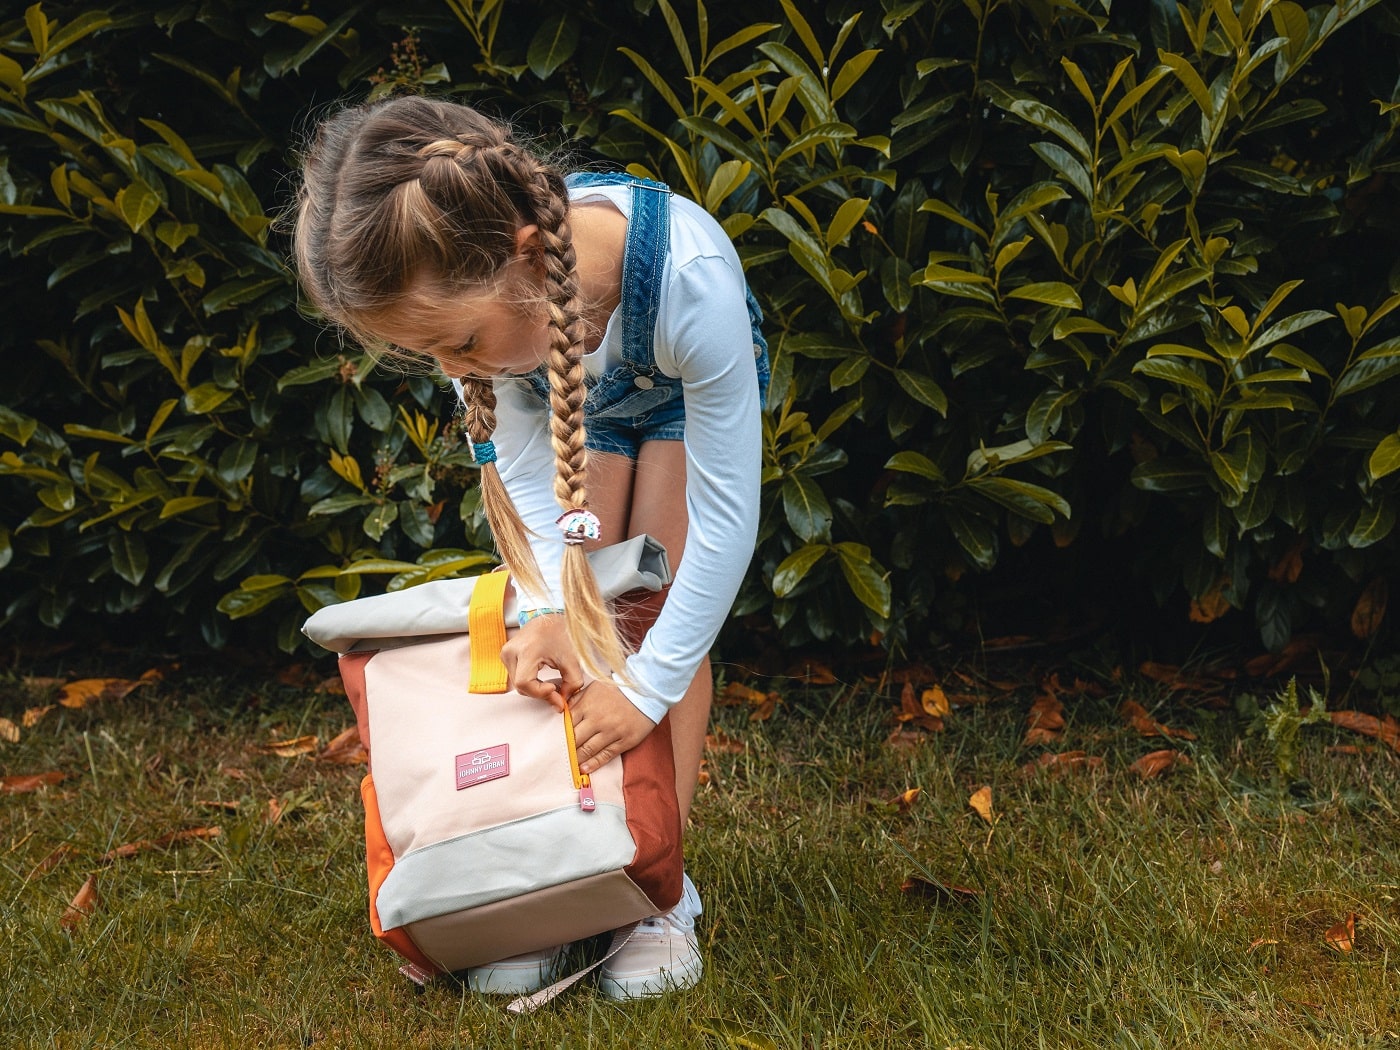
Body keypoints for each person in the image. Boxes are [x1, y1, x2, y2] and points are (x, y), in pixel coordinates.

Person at [291, 94, 767, 999]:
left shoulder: (689, 278)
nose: (454, 368)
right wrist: (549, 605)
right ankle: (565, 875)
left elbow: (726, 517)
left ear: (520, 258)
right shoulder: (490, 334)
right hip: (564, 385)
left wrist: (645, 686)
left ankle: (653, 890)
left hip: (670, 387)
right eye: (431, 355)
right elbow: (525, 480)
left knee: (646, 610)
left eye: (459, 342)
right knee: (584, 612)